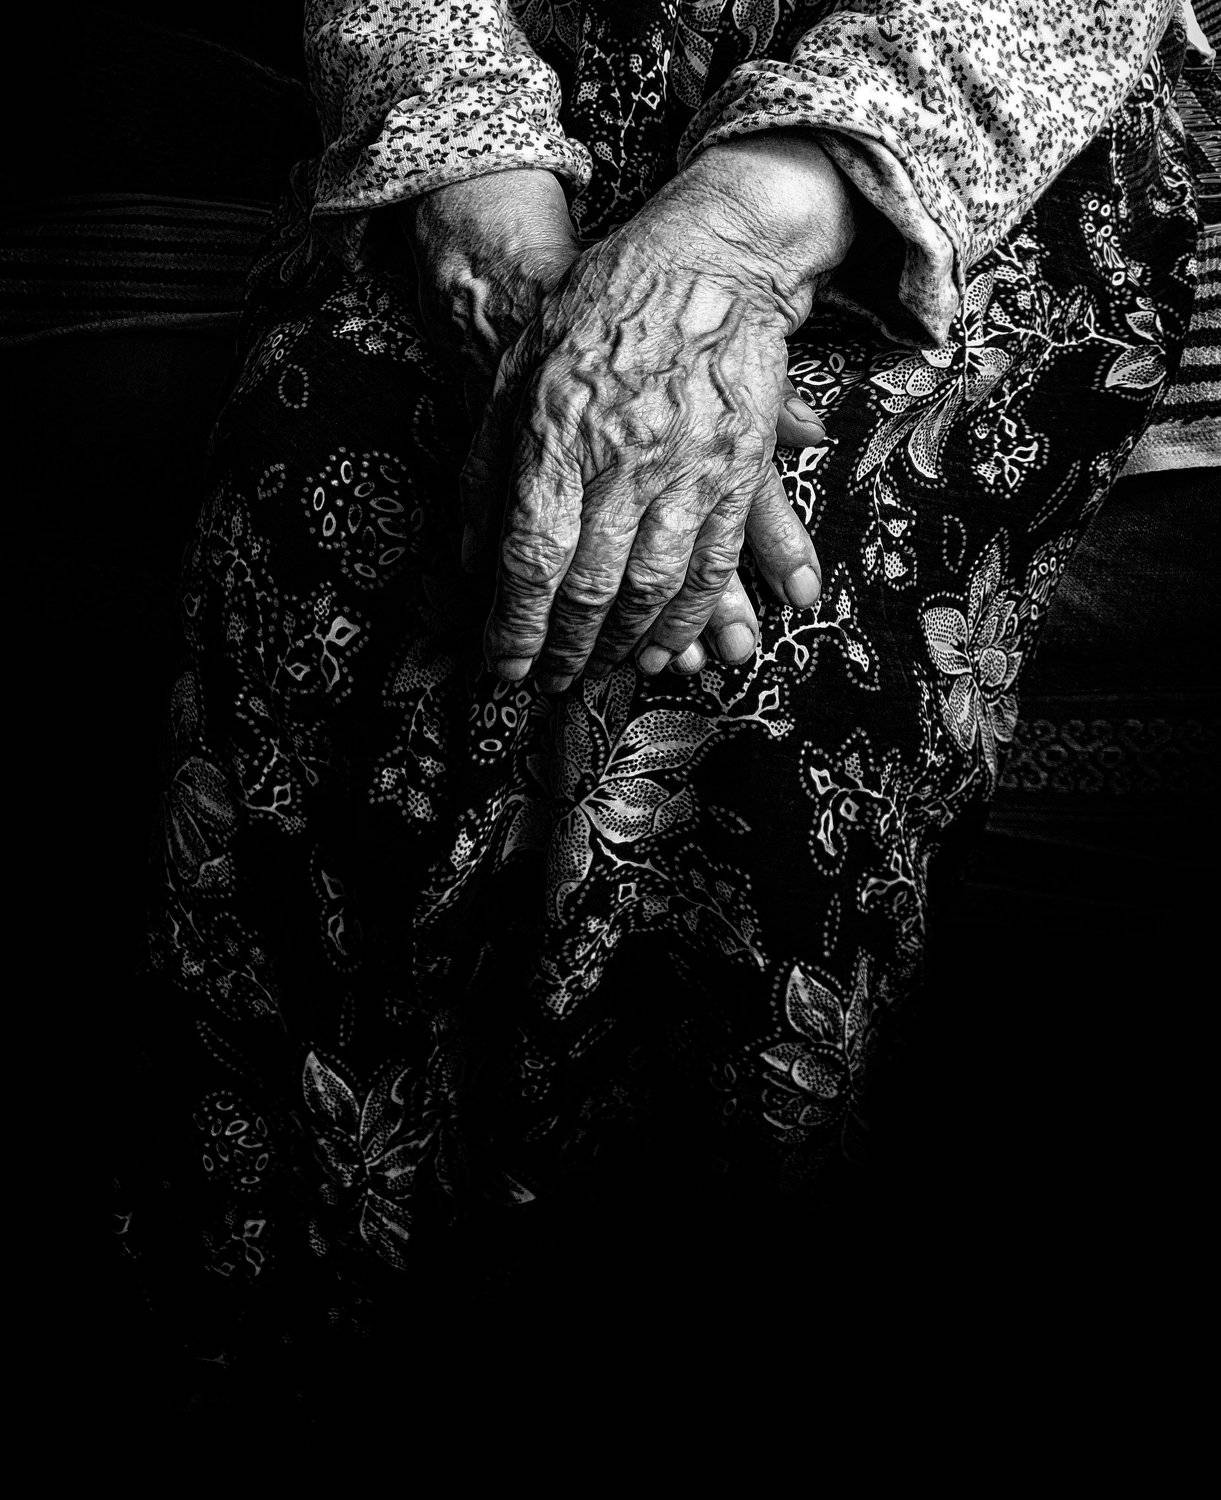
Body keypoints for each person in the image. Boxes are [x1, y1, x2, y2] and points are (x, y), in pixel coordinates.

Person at [122, 0, 1198, 1383]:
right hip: (504, 112)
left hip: (950, 110)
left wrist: (734, 243)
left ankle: (682, 1311)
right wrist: (482, 191)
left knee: (768, 626)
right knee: (346, 474)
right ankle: (294, 1309)